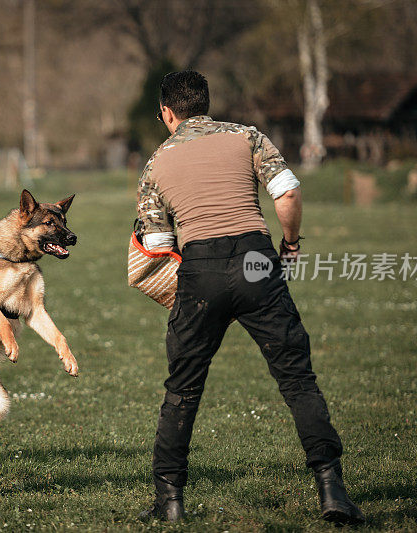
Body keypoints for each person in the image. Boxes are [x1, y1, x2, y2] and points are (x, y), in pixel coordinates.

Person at [136, 71, 365, 525]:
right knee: (297, 378)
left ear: (167, 112)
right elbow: (287, 192)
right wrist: (292, 244)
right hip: (256, 260)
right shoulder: (247, 137)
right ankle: (332, 489)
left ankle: (170, 500)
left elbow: (159, 242)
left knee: (182, 389)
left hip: (199, 268)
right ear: (205, 103)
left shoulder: (156, 163)